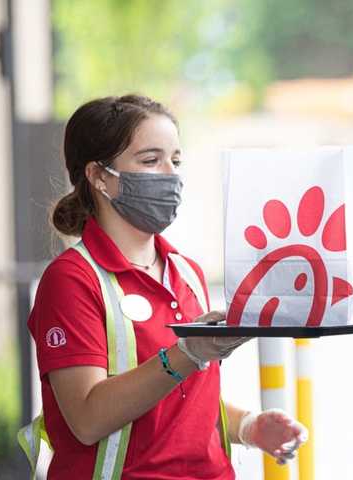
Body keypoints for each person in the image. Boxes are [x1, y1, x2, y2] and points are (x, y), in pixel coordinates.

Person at [24, 94, 308, 479]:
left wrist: (247, 426)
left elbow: (177, 402)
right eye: (150, 160)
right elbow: (87, 419)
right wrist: (188, 352)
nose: (170, 174)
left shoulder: (186, 271)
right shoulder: (72, 280)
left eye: (175, 160)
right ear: (99, 176)